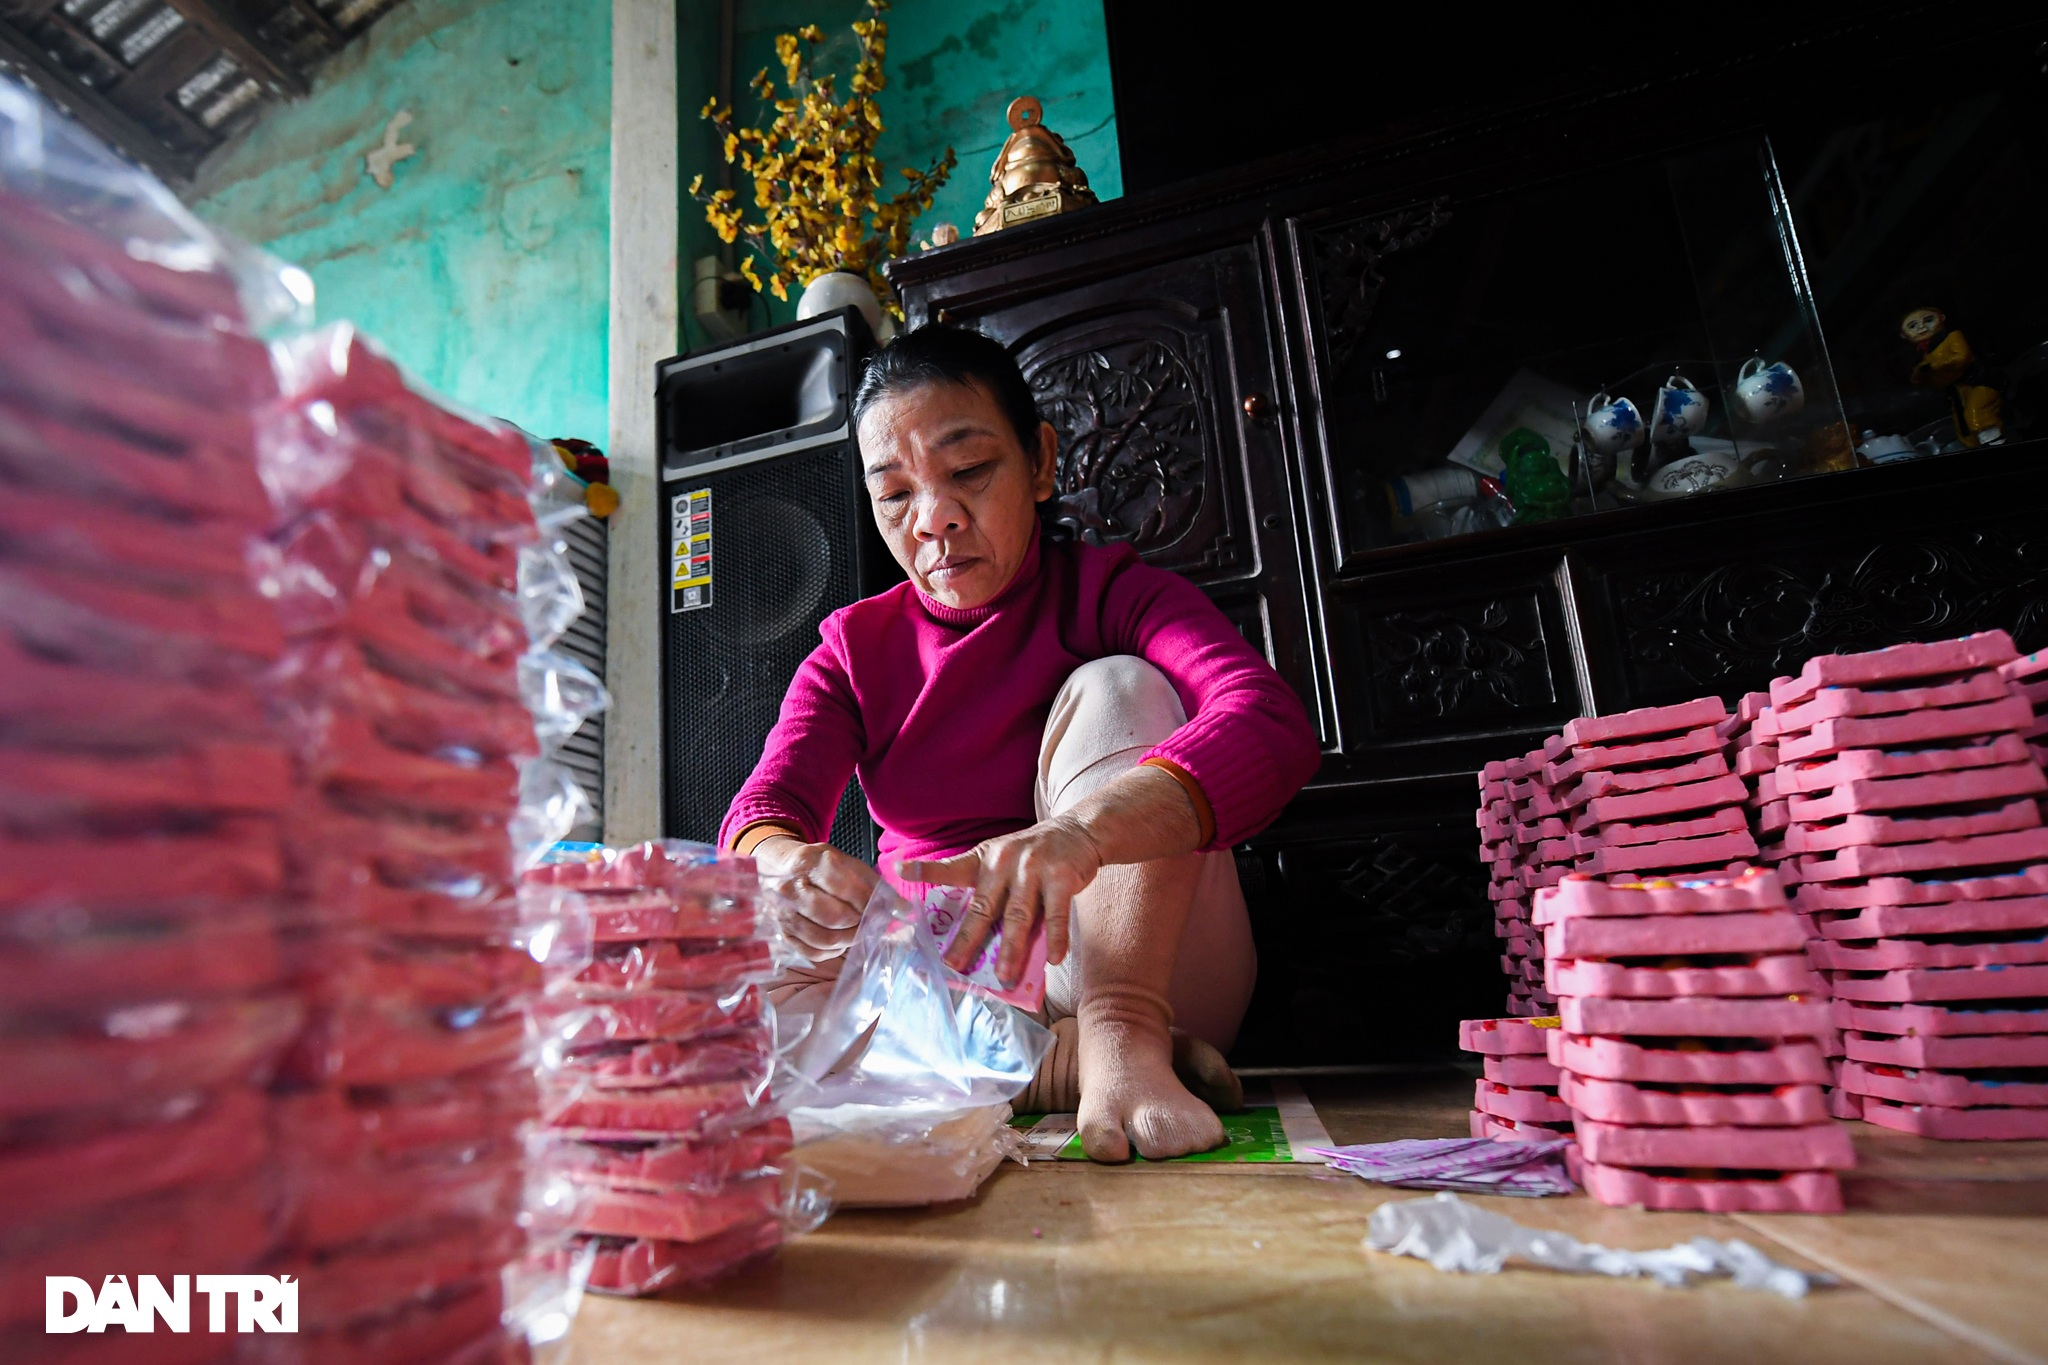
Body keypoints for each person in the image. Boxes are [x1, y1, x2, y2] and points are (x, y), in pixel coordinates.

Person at [720, 324, 1321, 1162]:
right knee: (727, 988)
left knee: (1123, 688)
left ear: (1038, 461)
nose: (934, 520)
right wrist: (785, 862)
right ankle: (1046, 1067)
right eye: (894, 494)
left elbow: (1267, 719)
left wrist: (1083, 834)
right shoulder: (854, 650)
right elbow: (763, 808)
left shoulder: (1114, 591)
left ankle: (1120, 1033)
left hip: (1135, 955)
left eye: (968, 471)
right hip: (954, 983)